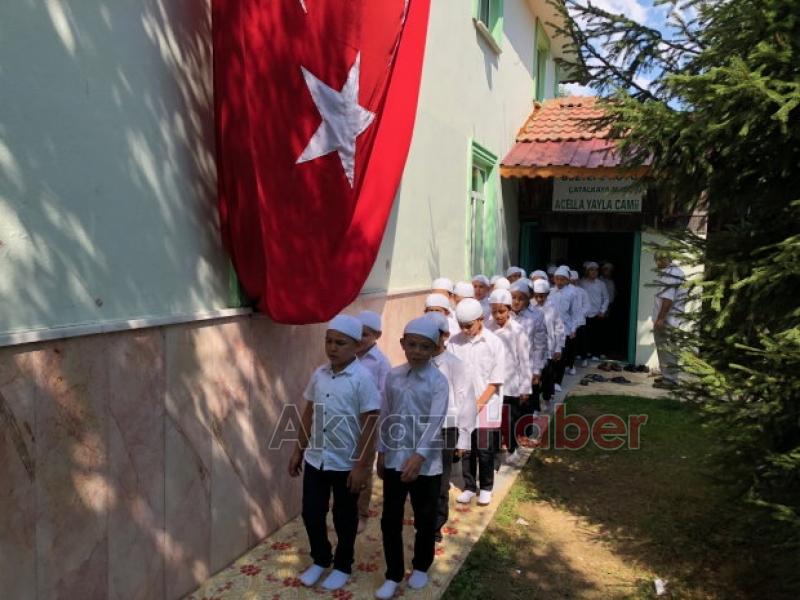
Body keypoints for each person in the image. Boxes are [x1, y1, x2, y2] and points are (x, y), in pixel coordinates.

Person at [289, 314, 381, 591]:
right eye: (328, 341)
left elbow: (370, 424)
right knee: (311, 512)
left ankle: (343, 564)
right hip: (317, 458)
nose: (332, 347)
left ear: (355, 346)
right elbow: (308, 414)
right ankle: (320, 558)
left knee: (344, 517)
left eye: (340, 343)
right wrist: (298, 450)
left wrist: (361, 466)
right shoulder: (319, 374)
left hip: (346, 463)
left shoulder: (362, 379)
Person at [375, 317, 449, 599]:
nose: (417, 351)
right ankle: (393, 574)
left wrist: (419, 457)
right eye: (412, 345)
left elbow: (435, 422)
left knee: (425, 517)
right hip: (394, 458)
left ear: (434, 349)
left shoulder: (438, 382)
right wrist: (381, 452)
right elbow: (386, 414)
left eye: (424, 346)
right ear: (403, 344)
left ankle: (421, 566)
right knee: (389, 519)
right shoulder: (393, 376)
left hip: (425, 464)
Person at [425, 312, 476, 542]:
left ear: (445, 336)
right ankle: (421, 517)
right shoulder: (419, 363)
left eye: (433, 335)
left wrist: (463, 438)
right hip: (419, 428)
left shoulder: (456, 366)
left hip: (446, 429)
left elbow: (466, 403)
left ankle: (435, 526)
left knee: (440, 479)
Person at [449, 298, 505, 507]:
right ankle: (470, 486)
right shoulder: (454, 343)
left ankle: (487, 487)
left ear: (480, 319)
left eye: (468, 325)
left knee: (484, 448)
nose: (464, 330)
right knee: (466, 448)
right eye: (461, 326)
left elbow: (495, 380)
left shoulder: (493, 343)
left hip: (487, 403)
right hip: (463, 405)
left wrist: (479, 404)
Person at [487, 288, 533, 467]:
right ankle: (496, 448)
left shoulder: (517, 331)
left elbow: (524, 360)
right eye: (494, 312)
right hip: (492, 382)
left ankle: (512, 448)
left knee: (509, 419)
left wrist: (525, 387)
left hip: (511, 383)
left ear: (509, 310)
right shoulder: (488, 328)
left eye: (501, 311)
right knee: (494, 418)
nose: (498, 315)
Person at [355, 310, 392, 534]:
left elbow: (384, 397)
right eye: (357, 333)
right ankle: (347, 507)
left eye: (365, 335)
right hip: (347, 422)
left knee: (363, 467)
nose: (359, 339)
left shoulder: (381, 363)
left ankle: (361, 513)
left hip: (368, 424)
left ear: (376, 335)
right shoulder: (348, 355)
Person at [652, 252, 686, 389]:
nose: (656, 264)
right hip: (671, 318)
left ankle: (670, 380)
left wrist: (660, 318)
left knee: (667, 349)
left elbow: (668, 298)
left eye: (657, 260)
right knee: (665, 349)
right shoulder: (675, 272)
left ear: (662, 259)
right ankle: (667, 375)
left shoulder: (671, 274)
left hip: (668, 320)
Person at [531, 279, 565, 411]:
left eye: (542, 296)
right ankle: (534, 406)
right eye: (537, 296)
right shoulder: (530, 308)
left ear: (547, 294)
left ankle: (546, 397)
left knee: (547, 376)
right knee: (534, 377)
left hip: (549, 349)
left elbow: (559, 329)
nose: (539, 299)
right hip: (534, 349)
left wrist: (558, 348)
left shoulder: (553, 309)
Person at [548, 265, 580, 392]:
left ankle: (557, 381)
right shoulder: (550, 292)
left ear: (567, 280)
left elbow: (575, 313)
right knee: (550, 355)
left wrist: (573, 328)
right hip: (550, 328)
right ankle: (549, 380)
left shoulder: (572, 293)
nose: (559, 282)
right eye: (557, 279)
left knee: (561, 355)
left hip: (565, 329)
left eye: (562, 279)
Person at [579, 262, 610, 362]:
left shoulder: (601, 284)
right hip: (584, 313)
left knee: (597, 335)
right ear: (587, 271)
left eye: (595, 270)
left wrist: (602, 310)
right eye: (591, 270)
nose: (593, 272)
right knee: (584, 335)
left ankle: (595, 353)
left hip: (597, 313)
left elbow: (606, 298)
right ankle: (584, 353)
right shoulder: (581, 282)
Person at [569, 270, 590, 373]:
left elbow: (587, 306)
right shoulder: (564, 291)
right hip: (568, 322)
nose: (573, 282)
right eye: (571, 280)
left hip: (580, 321)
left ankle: (584, 358)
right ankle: (571, 364)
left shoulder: (582, 291)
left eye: (574, 280)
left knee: (582, 341)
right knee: (571, 344)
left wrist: (579, 314)